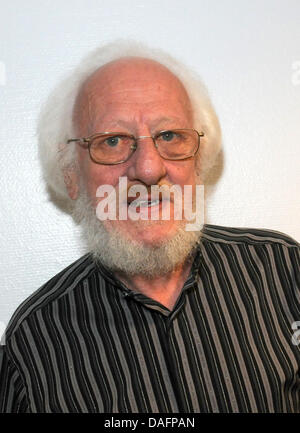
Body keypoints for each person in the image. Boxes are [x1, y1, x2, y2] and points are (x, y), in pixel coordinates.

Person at [0, 41, 299, 413]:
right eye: (112, 141)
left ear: (199, 160)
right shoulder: (35, 339)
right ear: (71, 175)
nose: (147, 169)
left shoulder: (284, 271)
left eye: (170, 136)